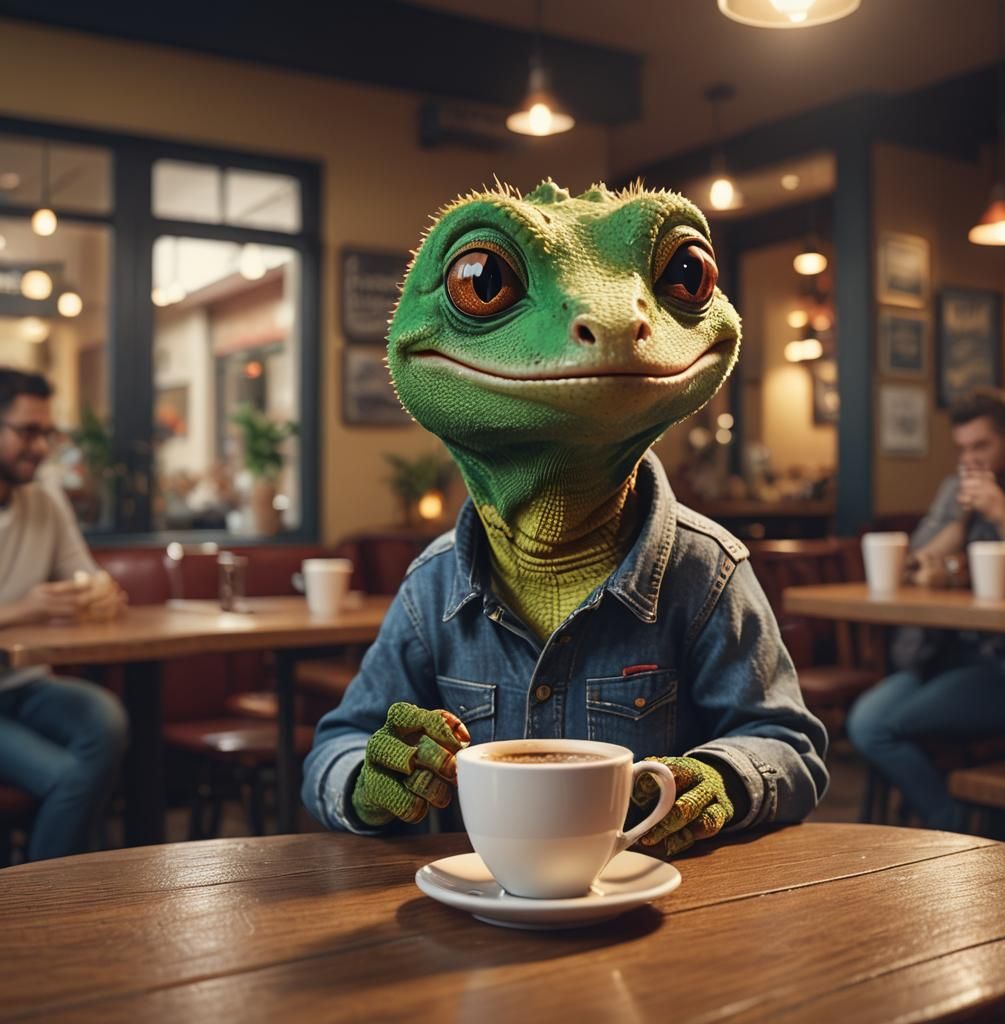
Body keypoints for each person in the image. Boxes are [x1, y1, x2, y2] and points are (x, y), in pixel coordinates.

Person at [303, 181, 828, 856]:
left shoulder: (706, 571)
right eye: (484, 280)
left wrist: (719, 782)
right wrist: (371, 781)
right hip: (479, 920)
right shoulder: (433, 587)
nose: (614, 323)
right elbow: (334, 749)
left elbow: (791, 747)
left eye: (682, 275)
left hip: (659, 923)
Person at [848, 388, 1005, 830]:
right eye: (962, 449)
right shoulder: (955, 489)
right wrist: (963, 519)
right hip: (942, 653)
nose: (971, 460)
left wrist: (1003, 515)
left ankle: (964, 831)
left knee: (896, 723)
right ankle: (957, 824)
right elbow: (914, 562)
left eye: (981, 446)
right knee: (867, 722)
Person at [0, 368, 129, 861]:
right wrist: (27, 607)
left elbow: (88, 578)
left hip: (26, 685)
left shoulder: (45, 498)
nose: (39, 447)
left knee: (105, 718)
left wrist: (102, 595)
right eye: (26, 432)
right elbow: (35, 603)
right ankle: (39, 905)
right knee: (67, 776)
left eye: (46, 433)